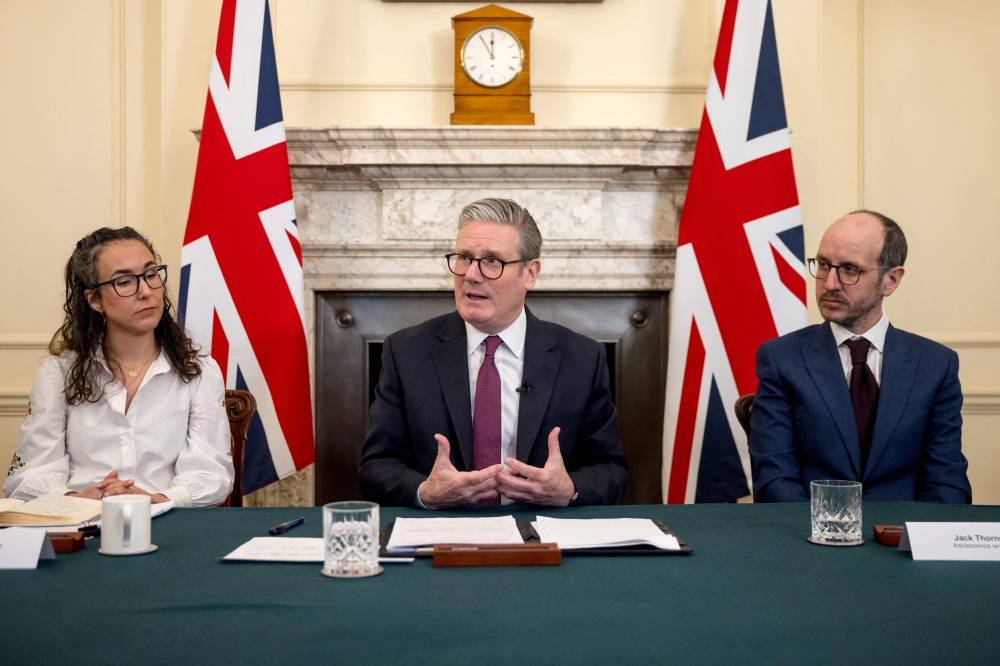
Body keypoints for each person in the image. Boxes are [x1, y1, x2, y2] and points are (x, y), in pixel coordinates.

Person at [359, 198, 628, 508]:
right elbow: (375, 467)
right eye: (464, 258)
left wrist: (569, 489)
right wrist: (424, 491)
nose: (471, 274)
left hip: (540, 534)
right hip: (443, 534)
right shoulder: (406, 352)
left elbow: (611, 469)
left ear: (530, 273)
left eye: (492, 261)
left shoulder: (581, 358)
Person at [749, 211, 971, 503]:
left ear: (891, 280)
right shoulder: (781, 359)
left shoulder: (936, 365)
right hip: (812, 537)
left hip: (903, 538)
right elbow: (775, 480)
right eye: (824, 265)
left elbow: (946, 482)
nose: (829, 283)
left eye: (849, 270)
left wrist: (918, 542)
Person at [4, 227, 234, 506]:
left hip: (168, 521)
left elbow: (213, 475)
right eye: (124, 282)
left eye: (151, 275)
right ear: (94, 300)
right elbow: (26, 477)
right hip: (82, 523)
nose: (147, 291)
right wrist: (77, 499)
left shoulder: (199, 371)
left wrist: (154, 500)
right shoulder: (58, 373)